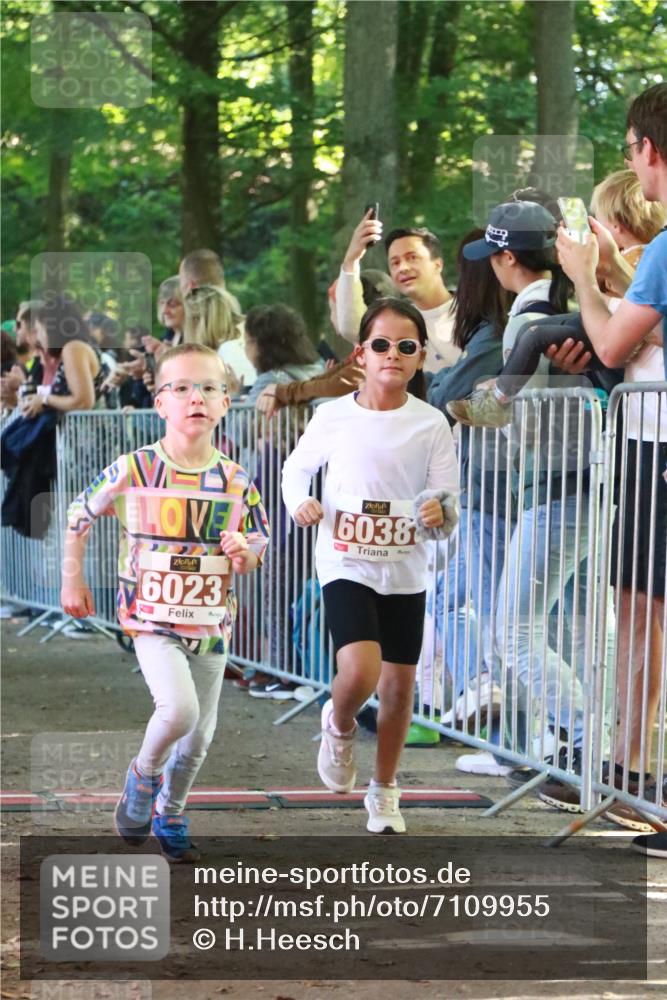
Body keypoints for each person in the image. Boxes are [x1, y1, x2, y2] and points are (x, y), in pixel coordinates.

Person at [60, 343, 269, 861]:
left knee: (199, 737)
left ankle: (171, 810)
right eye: (181, 387)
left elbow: (257, 548)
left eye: (209, 387)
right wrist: (72, 581)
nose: (195, 397)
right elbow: (77, 516)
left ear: (226, 402)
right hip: (150, 619)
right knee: (177, 711)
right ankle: (143, 775)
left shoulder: (237, 481)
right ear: (160, 403)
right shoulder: (134, 468)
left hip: (212, 624)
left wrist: (243, 552)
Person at [282, 298, 459, 834]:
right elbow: (296, 470)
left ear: (421, 357)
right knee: (360, 670)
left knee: (400, 689)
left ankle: (384, 790)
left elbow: (448, 502)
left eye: (406, 347)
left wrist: (437, 510)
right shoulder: (332, 415)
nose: (392, 355)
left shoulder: (430, 423)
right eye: (381, 345)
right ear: (361, 352)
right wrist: (301, 503)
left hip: (406, 567)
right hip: (345, 561)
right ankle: (338, 723)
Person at [552, 83, 667, 828]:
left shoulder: (661, 246)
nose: (633, 163)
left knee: (644, 614)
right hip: (643, 441)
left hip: (656, 447)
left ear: (649, 150)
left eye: (630, 150)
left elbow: (612, 341)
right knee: (634, 610)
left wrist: (580, 277)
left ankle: (636, 773)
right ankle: (626, 765)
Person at [447, 177, 665, 427]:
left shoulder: (647, 258)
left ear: (615, 225)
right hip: (635, 414)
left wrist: (588, 276)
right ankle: (500, 395)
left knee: (532, 334)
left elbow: (631, 331)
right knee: (531, 332)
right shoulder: (620, 262)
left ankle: (499, 401)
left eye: (597, 218)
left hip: (644, 419)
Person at [254, 270, 394, 419]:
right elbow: (323, 381)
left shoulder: (376, 354)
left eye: (334, 310)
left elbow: (331, 386)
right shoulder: (361, 355)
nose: (332, 317)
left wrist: (282, 392)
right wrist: (283, 392)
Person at [336, 214, 461, 373]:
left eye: (412, 257)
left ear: (438, 265)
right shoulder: (399, 319)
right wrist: (351, 260)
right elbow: (352, 329)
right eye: (395, 263)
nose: (403, 268)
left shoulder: (473, 311)